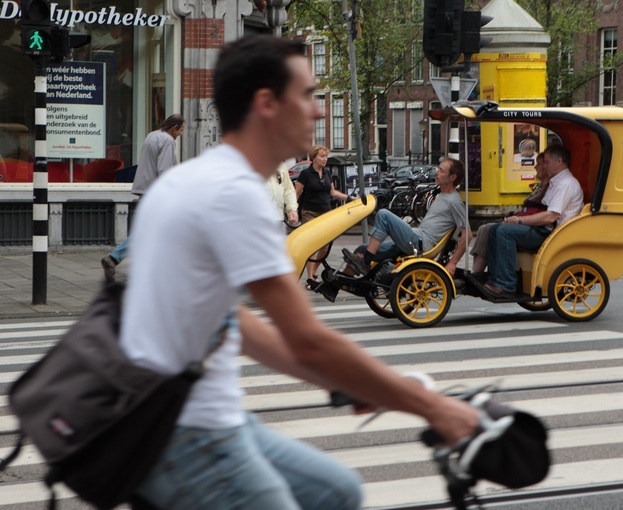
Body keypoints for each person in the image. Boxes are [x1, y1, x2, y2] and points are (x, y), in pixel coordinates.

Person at [120, 35, 478, 510]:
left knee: (338, 490)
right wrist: (435, 407)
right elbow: (307, 338)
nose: (315, 112)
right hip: (187, 434)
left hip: (182, 419)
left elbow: (230, 324)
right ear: (267, 104)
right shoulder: (234, 194)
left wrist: (344, 380)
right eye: (306, 96)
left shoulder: (196, 179)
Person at [483, 144, 583, 298]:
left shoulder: (566, 184)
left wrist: (519, 221)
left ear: (559, 161)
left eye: (547, 162)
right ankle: (494, 279)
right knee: (495, 229)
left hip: (551, 234)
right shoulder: (556, 182)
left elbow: (550, 216)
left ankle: (506, 284)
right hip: (545, 229)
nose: (544, 166)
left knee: (505, 232)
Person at [344, 158, 470, 277]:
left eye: (441, 171)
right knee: (362, 249)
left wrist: (452, 262)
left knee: (383, 215)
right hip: (416, 237)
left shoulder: (454, 202)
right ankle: (340, 283)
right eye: (438, 169)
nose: (436, 173)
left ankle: (365, 262)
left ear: (452, 177)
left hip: (420, 244)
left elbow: (468, 234)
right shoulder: (442, 194)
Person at [101, 114, 185, 280]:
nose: (181, 133)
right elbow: (164, 171)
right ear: (174, 128)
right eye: (181, 130)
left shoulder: (152, 135)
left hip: (145, 189)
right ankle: (114, 258)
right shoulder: (167, 141)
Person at [470, 151, 549, 273]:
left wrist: (516, 220)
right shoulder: (540, 187)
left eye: (538, 164)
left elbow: (537, 213)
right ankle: (477, 272)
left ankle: (480, 273)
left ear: (545, 166)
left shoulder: (549, 188)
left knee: (493, 230)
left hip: (534, 228)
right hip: (526, 223)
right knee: (483, 229)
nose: (535, 167)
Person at [294, 145, 349, 285]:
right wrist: (293, 210)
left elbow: (333, 193)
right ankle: (310, 278)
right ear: (314, 158)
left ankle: (314, 271)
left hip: (325, 213)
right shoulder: (306, 174)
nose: (325, 159)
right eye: (322, 156)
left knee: (325, 246)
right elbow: (296, 193)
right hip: (309, 212)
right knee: (312, 245)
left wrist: (350, 199)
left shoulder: (326, 173)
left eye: (326, 156)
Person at [266, 162, 299, 230]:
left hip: (278, 219)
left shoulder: (281, 165)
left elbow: (287, 189)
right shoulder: (250, 163)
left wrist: (292, 209)